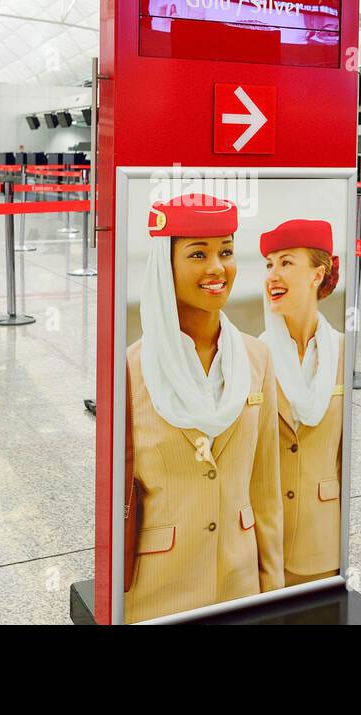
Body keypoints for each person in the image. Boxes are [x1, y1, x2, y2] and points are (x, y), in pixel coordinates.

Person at [124, 193, 282, 622]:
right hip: (157, 589)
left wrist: (274, 592)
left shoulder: (256, 358)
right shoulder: (130, 370)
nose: (217, 268)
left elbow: (266, 490)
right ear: (165, 265)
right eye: (198, 254)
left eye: (226, 252)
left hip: (240, 585)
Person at [259, 219, 344, 586]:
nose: (272, 275)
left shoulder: (343, 352)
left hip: (321, 538)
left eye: (286, 262)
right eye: (269, 264)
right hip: (263, 540)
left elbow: (344, 455)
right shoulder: (254, 355)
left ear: (316, 274)